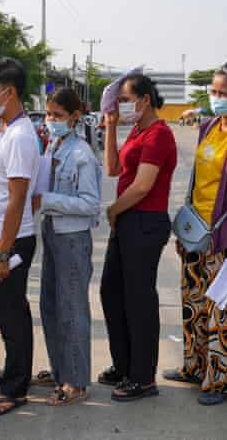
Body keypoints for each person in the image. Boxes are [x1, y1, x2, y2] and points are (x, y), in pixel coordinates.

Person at [163, 58, 227, 406]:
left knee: (223, 312)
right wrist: (185, 230)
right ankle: (195, 367)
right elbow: (195, 182)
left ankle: (221, 381)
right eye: (213, 91)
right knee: (194, 305)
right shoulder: (208, 126)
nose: (216, 97)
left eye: (223, 93)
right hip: (197, 234)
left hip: (225, 239)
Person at [98, 74, 177, 401]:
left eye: (127, 99)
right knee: (112, 293)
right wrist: (112, 127)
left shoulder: (159, 134)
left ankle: (143, 377)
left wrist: (114, 209)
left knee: (138, 300)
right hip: (128, 220)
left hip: (145, 221)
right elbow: (113, 169)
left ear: (145, 100)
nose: (122, 106)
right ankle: (124, 364)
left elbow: (143, 185)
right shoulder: (137, 131)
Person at [0, 57, 40, 417]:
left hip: (10, 238)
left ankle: (15, 389)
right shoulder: (4, 128)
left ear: (9, 91)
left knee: (12, 313)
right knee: (7, 311)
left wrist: (2, 252)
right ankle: (15, 372)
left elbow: (18, 198)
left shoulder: (19, 135)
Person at [35, 87, 101, 406]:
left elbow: (90, 204)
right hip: (52, 230)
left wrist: (46, 200)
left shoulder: (81, 154)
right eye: (48, 114)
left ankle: (76, 380)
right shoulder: (53, 145)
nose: (51, 121)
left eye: (58, 116)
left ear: (74, 117)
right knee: (50, 304)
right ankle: (60, 367)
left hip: (72, 237)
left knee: (72, 308)